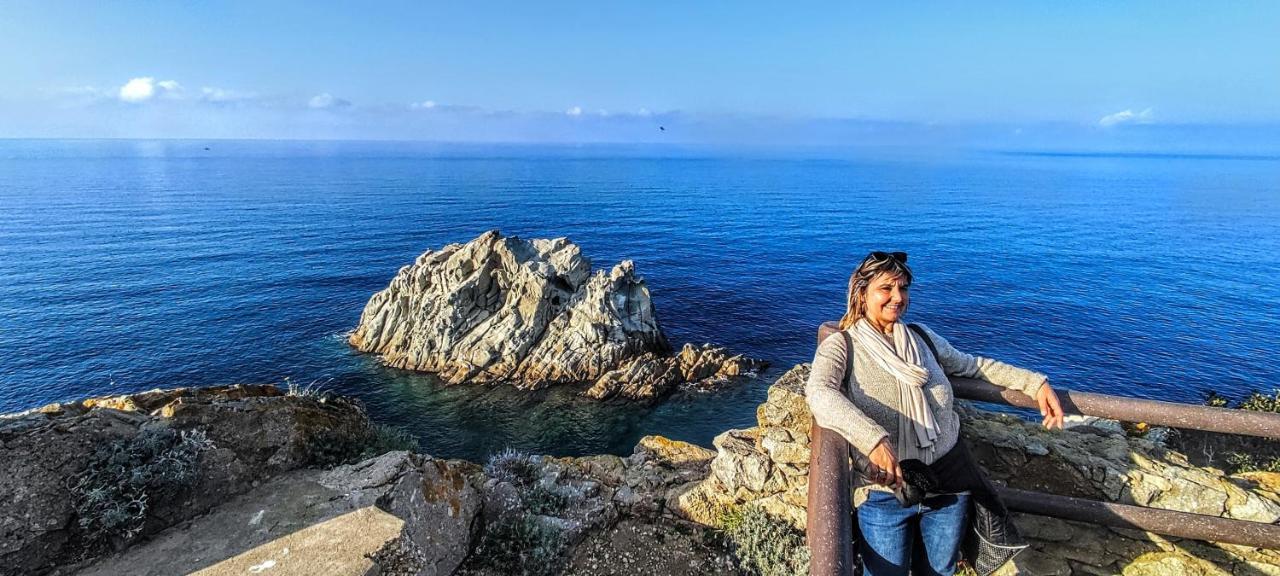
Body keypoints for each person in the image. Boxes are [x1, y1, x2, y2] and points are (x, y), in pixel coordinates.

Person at [805, 251, 1064, 576]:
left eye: (904, 288)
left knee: (940, 572)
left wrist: (1034, 383)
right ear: (861, 293)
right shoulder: (843, 345)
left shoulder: (921, 337)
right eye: (886, 288)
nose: (897, 298)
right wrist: (873, 439)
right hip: (887, 492)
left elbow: (972, 365)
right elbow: (819, 392)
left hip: (949, 484)